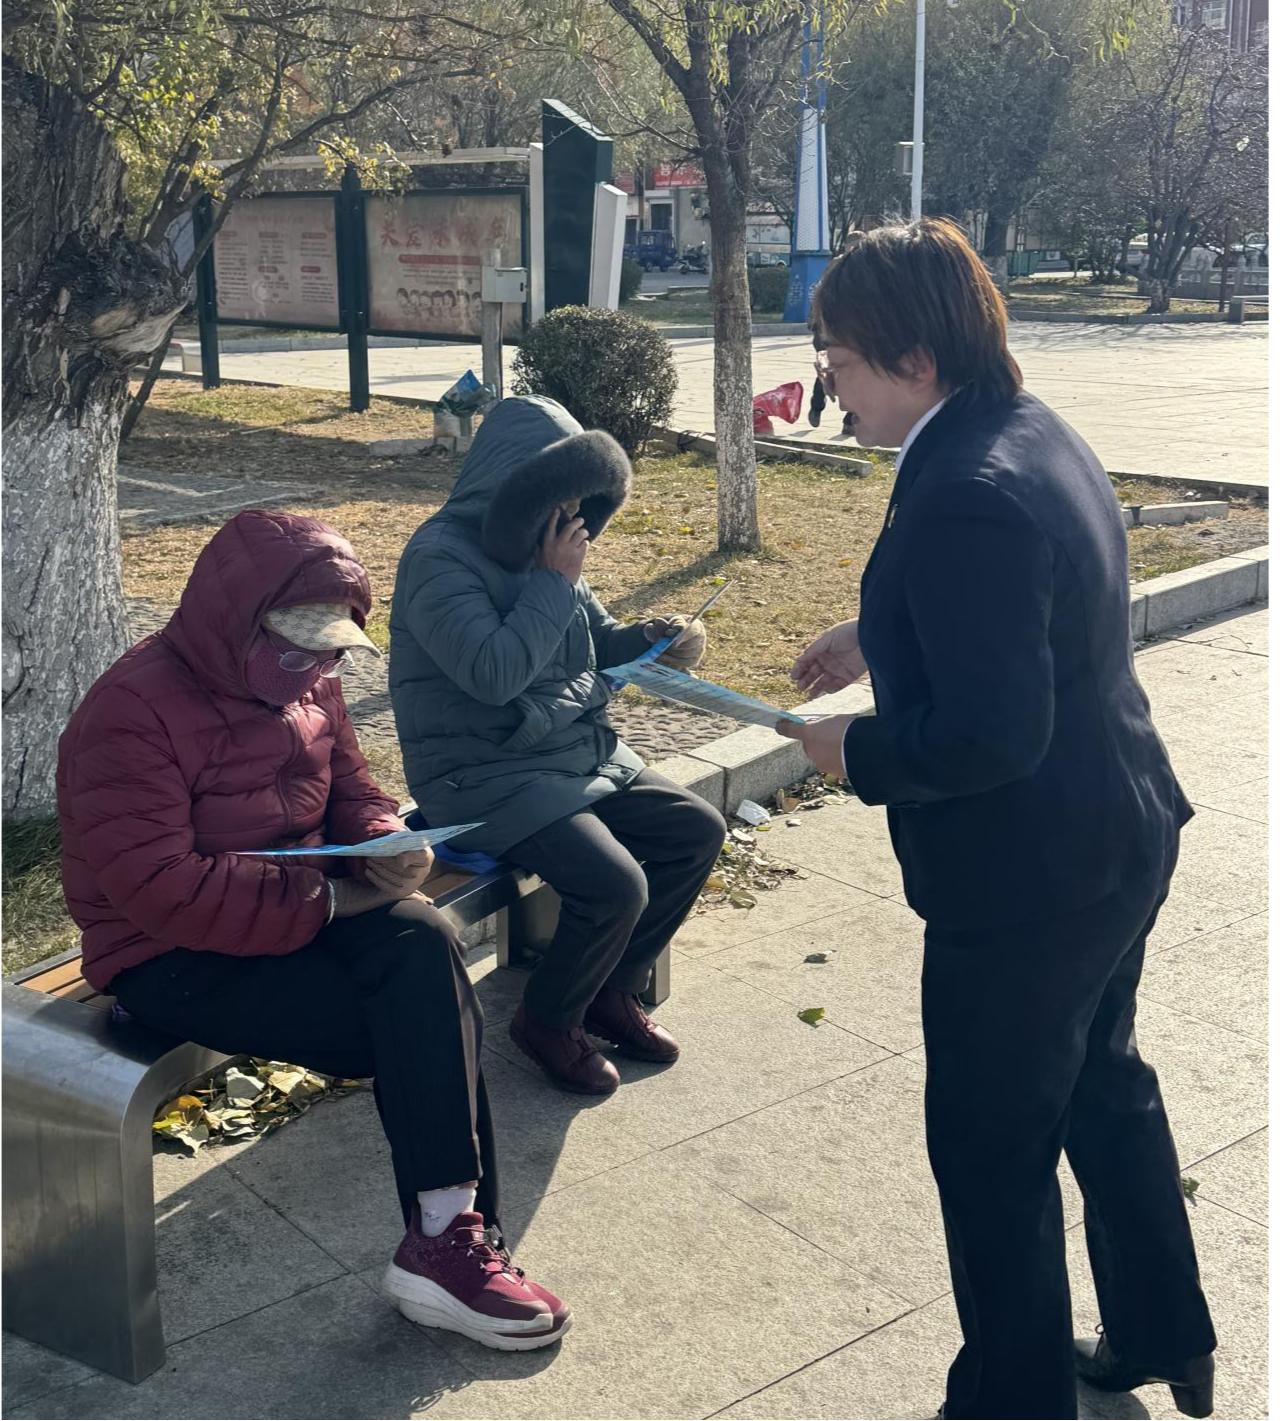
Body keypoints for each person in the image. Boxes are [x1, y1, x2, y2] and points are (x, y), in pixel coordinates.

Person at [778, 220, 1216, 1420]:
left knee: (989, 1148)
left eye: (839, 361)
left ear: (914, 358)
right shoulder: (1021, 427)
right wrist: (880, 632)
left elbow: (988, 736)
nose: (831, 389)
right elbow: (1031, 604)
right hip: (1118, 826)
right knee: (1100, 1085)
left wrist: (856, 749)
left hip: (1030, 882)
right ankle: (1162, 1327)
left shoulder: (961, 490)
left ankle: (1010, 1400)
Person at [56, 509, 569, 1352]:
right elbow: (159, 889)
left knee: (422, 942)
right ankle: (448, 1244)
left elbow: (353, 789)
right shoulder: (132, 710)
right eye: (298, 648)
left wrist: (383, 844)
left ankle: (449, 1237)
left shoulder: (313, 682)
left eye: (332, 651)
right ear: (234, 620)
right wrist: (336, 897)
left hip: (288, 909)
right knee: (422, 1020)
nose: (316, 668)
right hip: (163, 956)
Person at [389, 396, 726, 1097]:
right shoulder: (437, 557)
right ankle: (548, 1020)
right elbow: (493, 675)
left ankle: (611, 990)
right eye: (561, 499)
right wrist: (552, 581)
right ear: (516, 488)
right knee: (615, 885)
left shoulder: (548, 548)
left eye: (581, 502)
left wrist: (655, 637)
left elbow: (595, 638)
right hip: (479, 771)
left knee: (696, 830)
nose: (573, 516)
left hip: (565, 750)